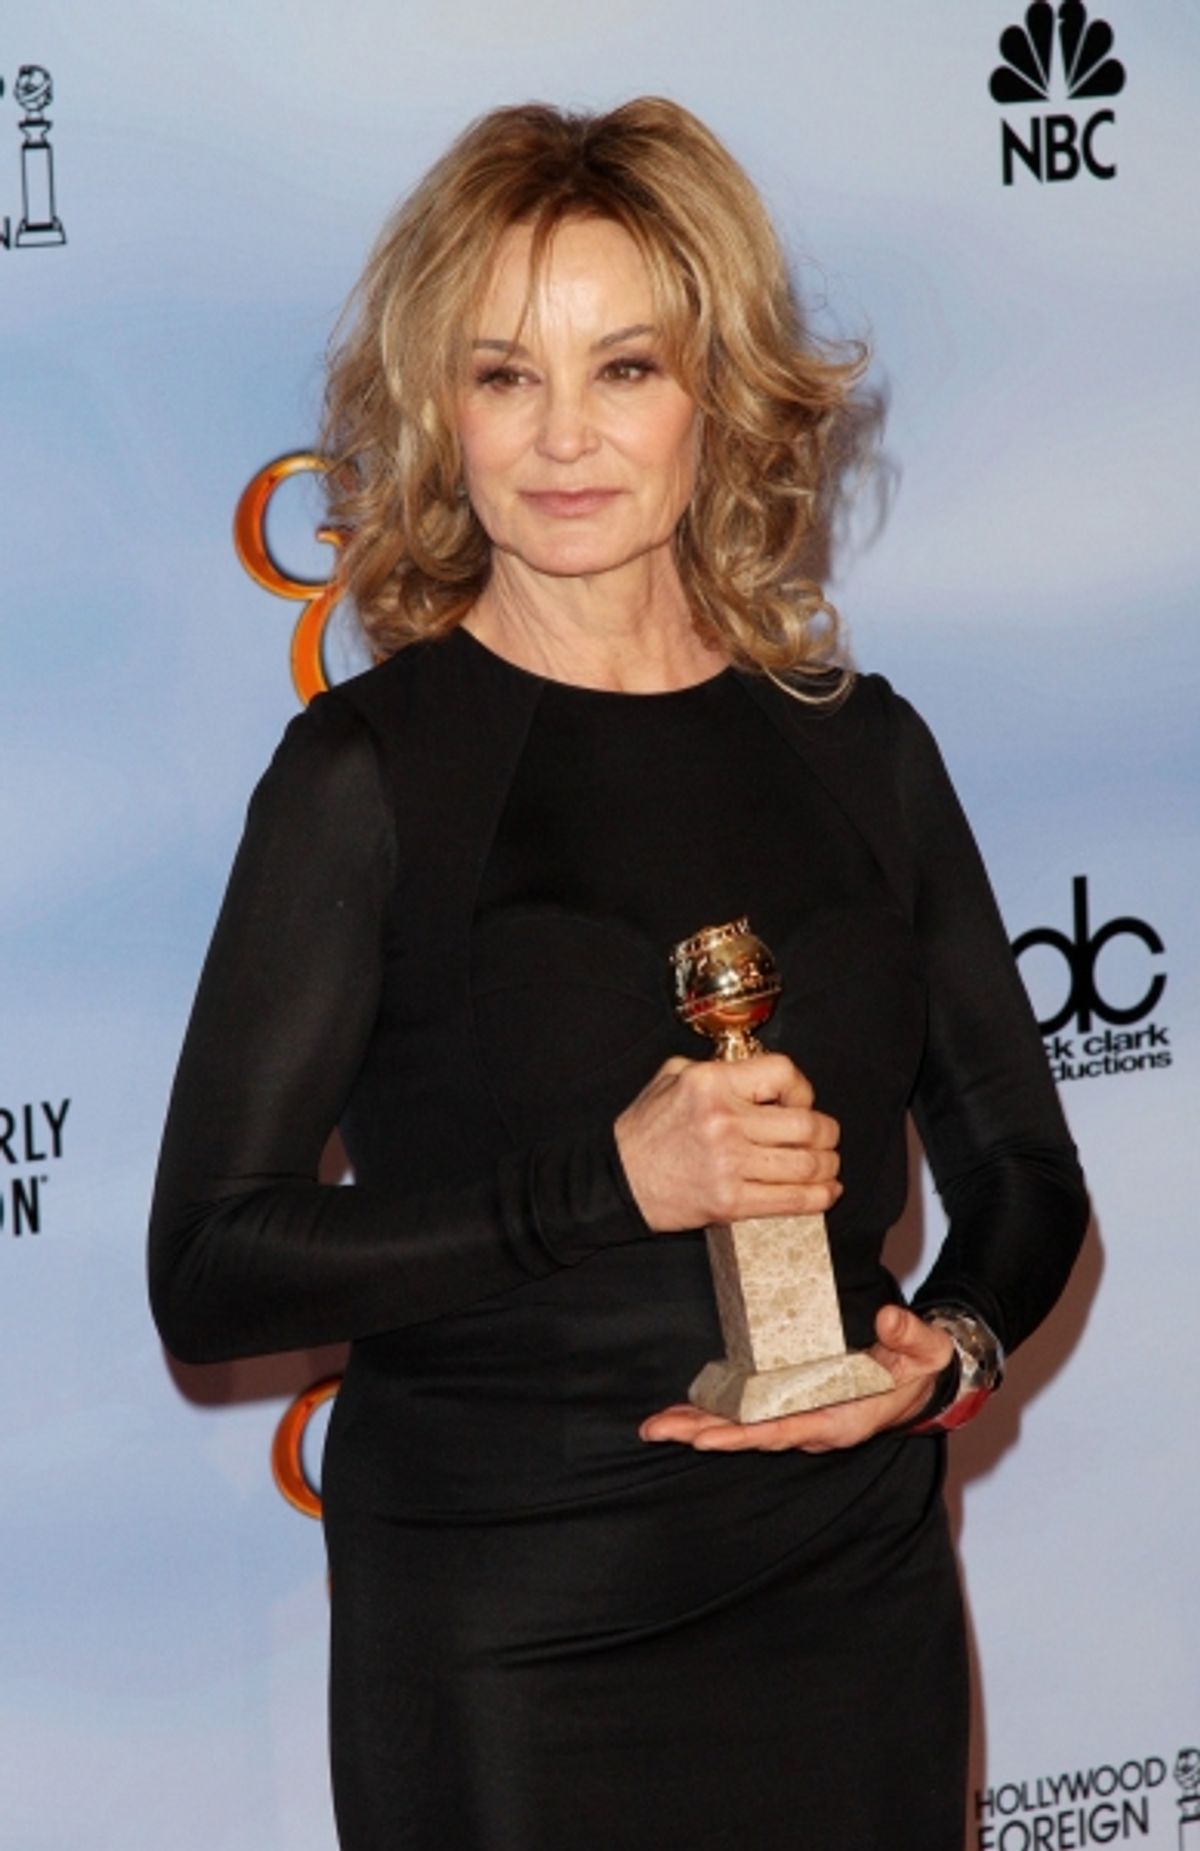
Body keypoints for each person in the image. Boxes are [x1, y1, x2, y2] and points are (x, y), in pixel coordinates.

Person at [149, 97, 1088, 1851]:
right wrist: (609, 1185)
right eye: (506, 374)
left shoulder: (862, 751)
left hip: (850, 1598)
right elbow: (209, 1269)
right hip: (512, 1629)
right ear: (438, 412)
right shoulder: (366, 777)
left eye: (626, 368)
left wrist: (941, 1354)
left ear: (721, 395)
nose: (562, 436)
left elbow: (1026, 1175)